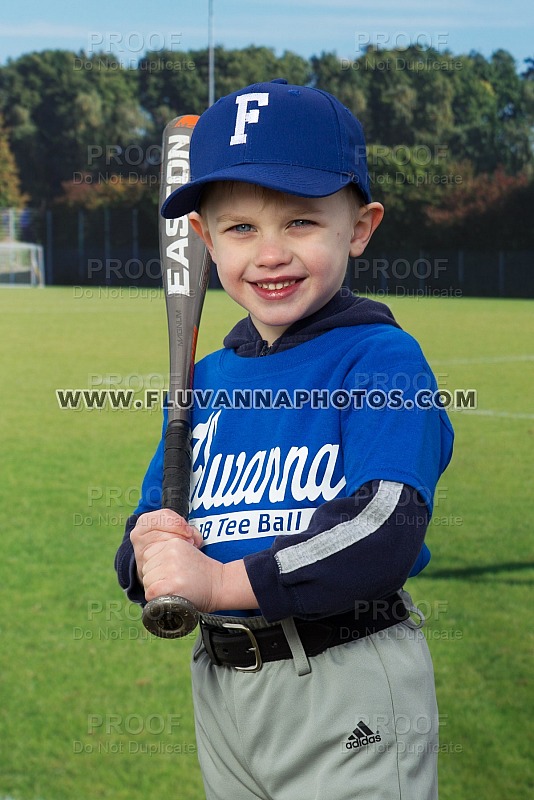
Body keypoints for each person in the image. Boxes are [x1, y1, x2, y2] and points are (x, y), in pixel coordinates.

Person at [115, 79, 454, 800]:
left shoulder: (380, 360)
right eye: (240, 228)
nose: (270, 253)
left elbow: (384, 525)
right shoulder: (202, 380)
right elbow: (152, 525)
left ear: (359, 228)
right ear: (203, 241)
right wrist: (148, 549)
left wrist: (219, 583)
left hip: (344, 680)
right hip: (224, 687)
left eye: (300, 222)